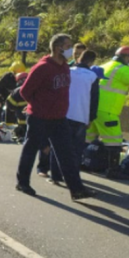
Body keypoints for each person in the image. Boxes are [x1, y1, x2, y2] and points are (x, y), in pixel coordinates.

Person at [15, 33, 95, 201]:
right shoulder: (42, 67)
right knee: (30, 150)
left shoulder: (65, 66)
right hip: (39, 117)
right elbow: (25, 91)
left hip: (59, 118)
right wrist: (39, 105)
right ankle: (23, 182)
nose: (71, 50)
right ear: (59, 48)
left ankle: (77, 189)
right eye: (68, 46)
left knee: (67, 154)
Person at [86, 46, 129, 178]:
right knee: (114, 141)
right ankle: (113, 171)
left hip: (92, 109)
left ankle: (82, 162)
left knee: (87, 138)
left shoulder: (105, 65)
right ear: (127, 58)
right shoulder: (122, 69)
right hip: (107, 111)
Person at [49, 49, 99, 186]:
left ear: (79, 58)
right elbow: (94, 101)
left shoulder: (68, 71)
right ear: (91, 62)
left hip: (62, 114)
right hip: (81, 116)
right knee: (76, 150)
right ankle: (72, 177)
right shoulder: (92, 76)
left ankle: (55, 176)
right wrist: (91, 118)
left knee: (58, 146)